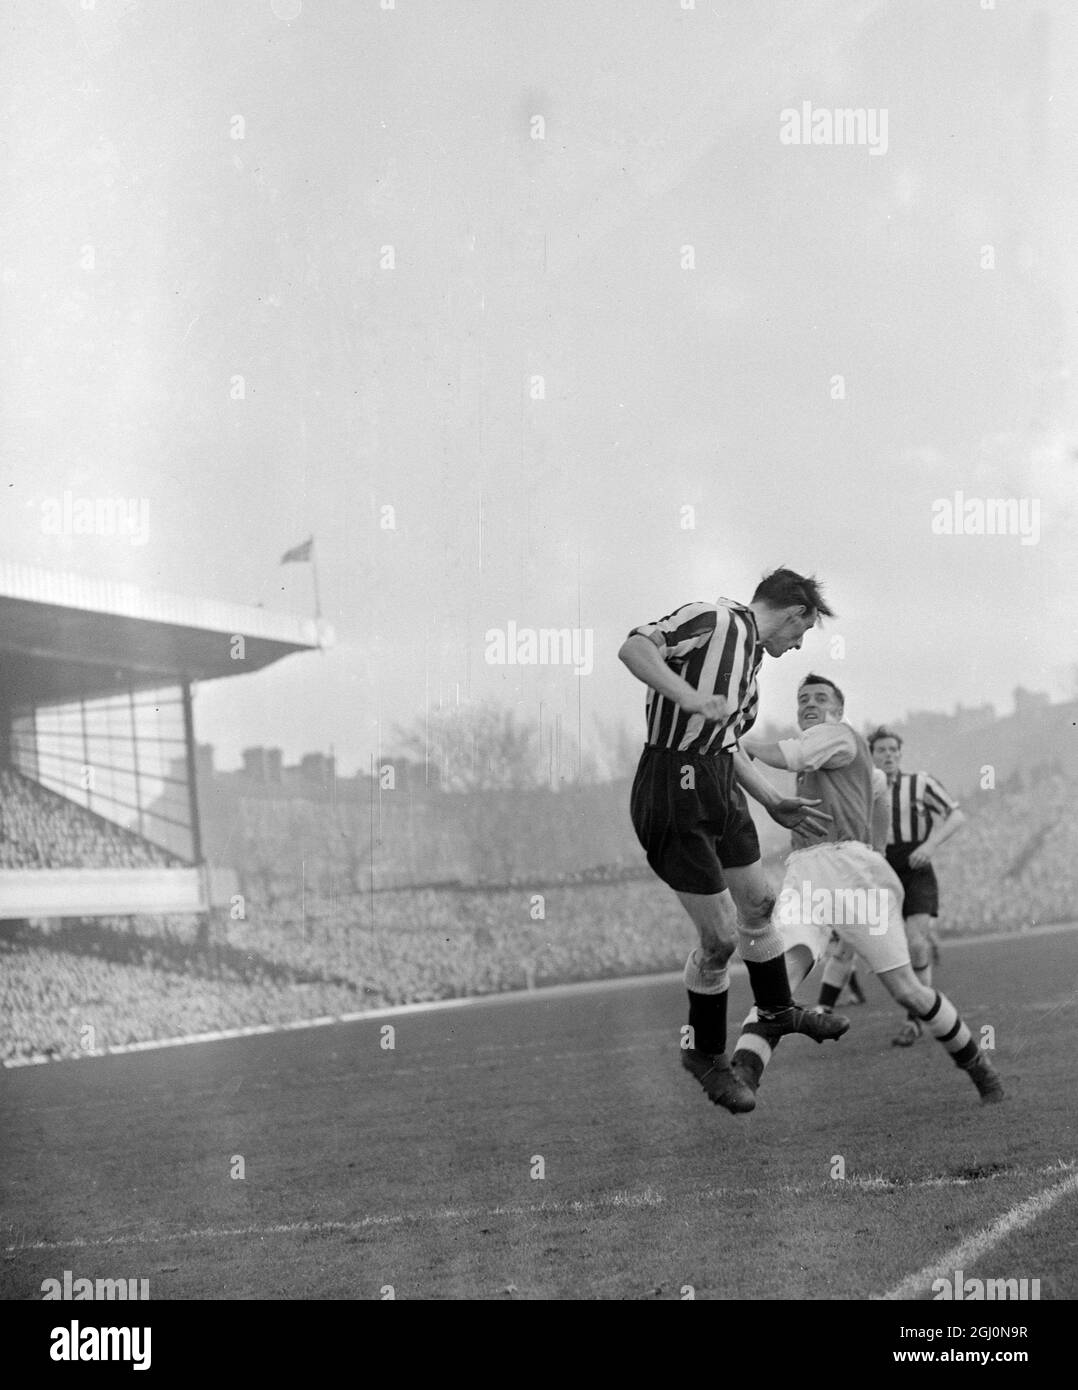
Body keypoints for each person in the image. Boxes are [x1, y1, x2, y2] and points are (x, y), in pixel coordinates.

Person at [619, 569, 849, 1116]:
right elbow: (633, 649)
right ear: (794, 613)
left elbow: (730, 745)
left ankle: (775, 1009)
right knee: (720, 938)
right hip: (672, 785)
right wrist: (689, 697)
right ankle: (705, 1056)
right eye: (801, 633)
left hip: (719, 784)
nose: (795, 646)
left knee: (760, 905)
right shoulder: (713, 618)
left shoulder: (748, 665)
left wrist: (771, 798)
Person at [728, 675, 1002, 1105]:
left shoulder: (836, 736)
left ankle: (978, 1067)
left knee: (907, 989)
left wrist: (737, 744)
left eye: (820, 698)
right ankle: (744, 1076)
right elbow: (878, 792)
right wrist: (877, 842)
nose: (810, 704)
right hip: (807, 872)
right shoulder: (842, 757)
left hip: (852, 873)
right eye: (803, 700)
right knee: (778, 983)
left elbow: (793, 754)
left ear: (838, 709)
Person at [869, 727, 966, 1047]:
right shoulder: (864, 788)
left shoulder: (920, 783)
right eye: (881, 750)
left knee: (917, 943)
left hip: (917, 868)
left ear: (901, 753)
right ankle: (920, 1009)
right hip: (881, 872)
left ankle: (915, 1020)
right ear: (872, 755)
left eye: (893, 750)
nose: (889, 755)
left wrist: (930, 845)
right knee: (891, 951)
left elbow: (956, 816)